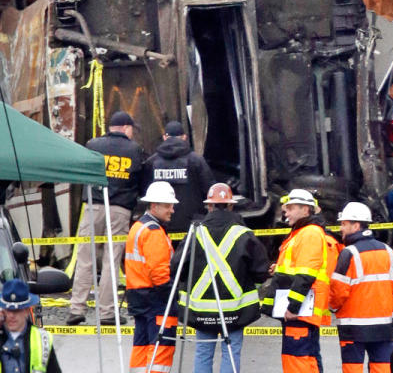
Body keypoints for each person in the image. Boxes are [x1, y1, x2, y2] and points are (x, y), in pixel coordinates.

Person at [174, 183, 269, 373]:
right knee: (231, 353)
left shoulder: (195, 232)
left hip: (202, 309)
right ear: (231, 205)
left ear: (209, 206)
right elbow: (260, 271)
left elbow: (177, 267)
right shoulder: (244, 234)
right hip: (235, 309)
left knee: (203, 353)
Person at [67, 110, 146, 326]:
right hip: (120, 209)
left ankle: (76, 309)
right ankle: (107, 313)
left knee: (85, 257)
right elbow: (142, 183)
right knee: (111, 260)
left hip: (92, 206)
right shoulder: (135, 149)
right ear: (126, 128)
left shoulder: (92, 145)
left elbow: (79, 172)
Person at [261, 189, 337, 373]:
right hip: (302, 309)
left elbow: (306, 275)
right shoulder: (302, 233)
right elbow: (298, 269)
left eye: (290, 208)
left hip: (300, 310)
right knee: (307, 359)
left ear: (306, 210)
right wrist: (277, 270)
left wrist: (293, 307)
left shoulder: (309, 234)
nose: (285, 212)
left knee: (298, 361)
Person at [329, 202, 393, 373]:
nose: (341, 228)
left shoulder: (348, 253)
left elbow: (338, 291)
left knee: (352, 368)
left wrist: (333, 307)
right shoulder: (388, 251)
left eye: (344, 224)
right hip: (383, 325)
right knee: (382, 368)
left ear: (356, 225)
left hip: (353, 326)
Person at [126, 181, 179, 373]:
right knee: (160, 349)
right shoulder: (153, 232)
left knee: (141, 347)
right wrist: (171, 296)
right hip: (156, 298)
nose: (172, 210)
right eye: (167, 206)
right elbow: (159, 273)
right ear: (154, 205)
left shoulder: (138, 226)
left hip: (138, 296)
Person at [144, 121, 215, 234]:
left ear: (164, 137)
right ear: (184, 137)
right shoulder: (196, 160)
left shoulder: (152, 162)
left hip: (160, 225)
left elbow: (145, 191)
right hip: (192, 224)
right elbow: (210, 190)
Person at [0, 279, 60, 373]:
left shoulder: (42, 338)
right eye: (8, 310)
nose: (12, 316)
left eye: (17, 311)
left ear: (27, 311)